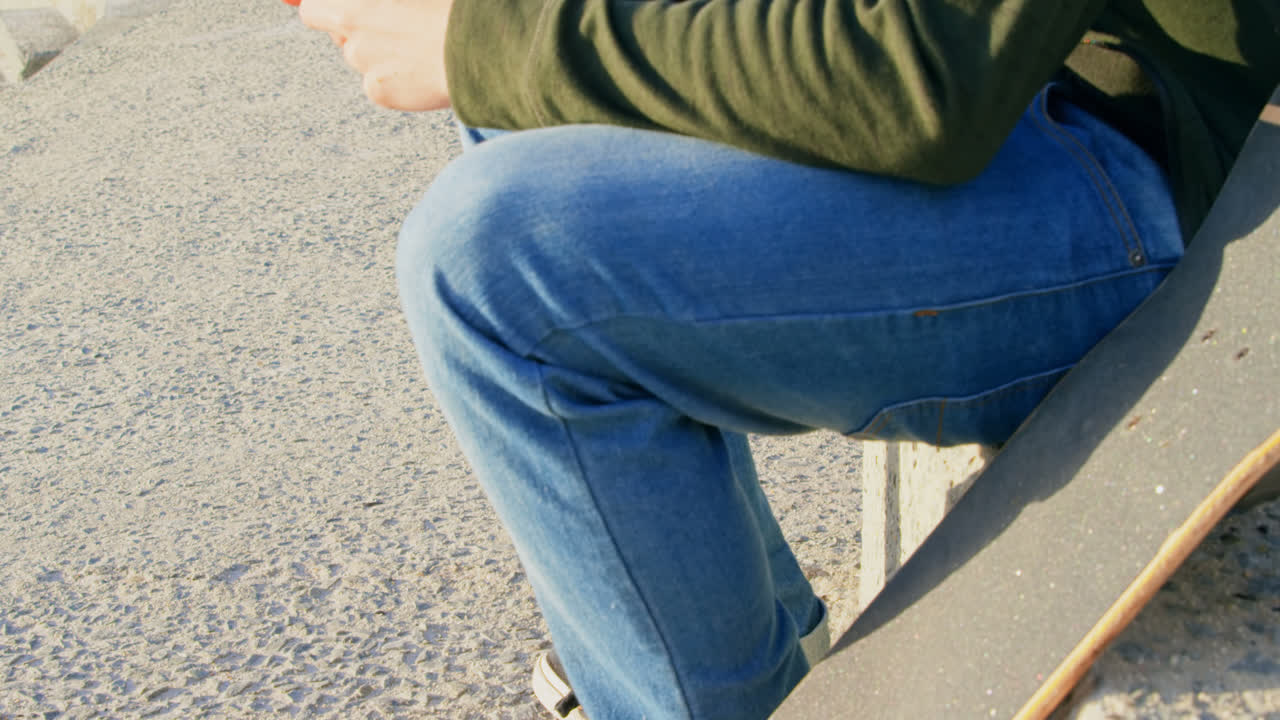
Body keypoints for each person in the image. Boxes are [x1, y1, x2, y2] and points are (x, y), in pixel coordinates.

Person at [290, 0, 1279, 717]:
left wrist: (485, 35)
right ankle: (764, 667)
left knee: (497, 260)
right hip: (1054, 97)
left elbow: (919, 76)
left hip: (1191, 205)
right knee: (526, 98)